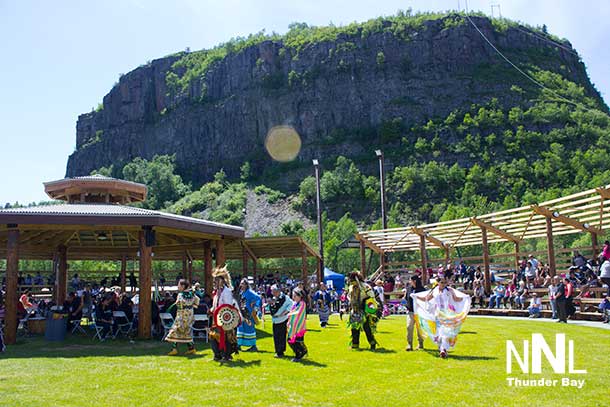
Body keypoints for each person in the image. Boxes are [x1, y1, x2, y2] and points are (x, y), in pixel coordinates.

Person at [412, 277, 471, 359]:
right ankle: (442, 349)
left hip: (447, 314)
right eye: (442, 282)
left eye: (445, 282)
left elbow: (456, 299)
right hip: (438, 314)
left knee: (445, 332)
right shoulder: (434, 291)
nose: (443, 284)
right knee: (439, 333)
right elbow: (426, 298)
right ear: (438, 283)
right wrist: (416, 297)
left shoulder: (449, 290)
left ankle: (443, 349)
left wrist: (465, 298)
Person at [209, 266, 240, 362]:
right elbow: (215, 304)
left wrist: (219, 311)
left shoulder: (227, 292)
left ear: (222, 280)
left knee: (225, 338)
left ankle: (226, 356)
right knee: (214, 336)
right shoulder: (217, 292)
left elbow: (228, 306)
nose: (215, 282)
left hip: (225, 318)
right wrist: (211, 310)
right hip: (216, 318)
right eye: (214, 280)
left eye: (217, 280)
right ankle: (217, 354)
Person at [165, 279, 199, 356]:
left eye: (179, 285)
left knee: (175, 331)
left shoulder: (180, 295)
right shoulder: (192, 294)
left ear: (183, 286)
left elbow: (179, 305)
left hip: (181, 316)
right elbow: (197, 302)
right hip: (189, 316)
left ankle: (174, 349)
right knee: (186, 333)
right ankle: (191, 349)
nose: (178, 287)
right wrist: (190, 307)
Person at [347, 271, 378, 350]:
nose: (351, 282)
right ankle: (355, 344)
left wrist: (366, 303)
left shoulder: (365, 286)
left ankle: (372, 343)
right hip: (354, 310)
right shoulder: (351, 287)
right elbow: (349, 297)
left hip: (364, 310)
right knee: (354, 328)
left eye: (352, 280)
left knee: (366, 327)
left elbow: (372, 297)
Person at [237, 279, 262, 352]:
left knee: (250, 329)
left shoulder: (250, 292)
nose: (241, 285)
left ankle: (253, 346)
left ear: (246, 285)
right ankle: (239, 345)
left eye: (243, 284)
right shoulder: (242, 293)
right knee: (241, 329)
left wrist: (254, 308)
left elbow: (258, 298)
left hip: (249, 314)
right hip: (242, 314)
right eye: (241, 284)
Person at [269, 284, 293, 358]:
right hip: (275, 320)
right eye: (272, 291)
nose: (273, 293)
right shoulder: (274, 298)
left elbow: (291, 304)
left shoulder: (285, 298)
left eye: (274, 291)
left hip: (282, 319)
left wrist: (285, 312)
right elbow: (273, 307)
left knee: (282, 336)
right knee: (276, 336)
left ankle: (281, 352)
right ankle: (277, 350)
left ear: (278, 291)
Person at [404, 275, 425, 351]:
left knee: (419, 329)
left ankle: (420, 344)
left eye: (410, 280)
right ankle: (409, 344)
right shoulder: (409, 289)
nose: (410, 282)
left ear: (414, 281)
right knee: (409, 327)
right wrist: (404, 304)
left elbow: (425, 300)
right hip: (410, 312)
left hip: (420, 312)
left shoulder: (422, 289)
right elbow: (405, 298)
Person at [286, 288, 308, 362]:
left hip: (299, 327)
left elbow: (298, 313)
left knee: (296, 341)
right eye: (293, 296)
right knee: (290, 340)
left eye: (295, 296)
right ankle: (301, 352)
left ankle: (299, 354)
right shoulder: (295, 304)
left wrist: (289, 313)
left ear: (300, 296)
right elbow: (293, 312)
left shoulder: (302, 303)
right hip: (293, 327)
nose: (294, 297)